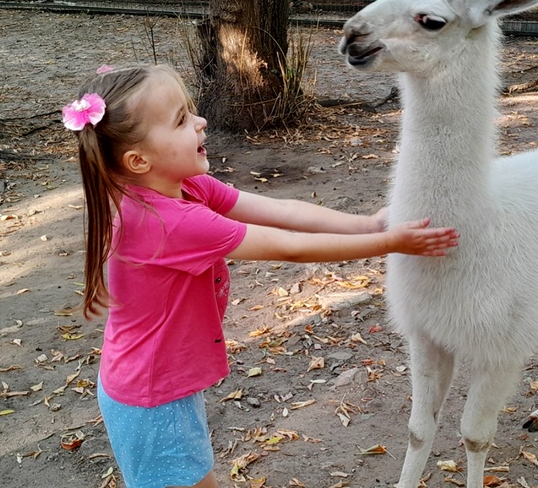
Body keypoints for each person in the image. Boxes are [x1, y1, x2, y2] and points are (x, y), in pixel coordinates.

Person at [65, 64, 459, 488]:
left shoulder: (184, 187)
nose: (200, 122)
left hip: (157, 384)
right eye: (181, 119)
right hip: (151, 398)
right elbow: (290, 246)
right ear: (138, 160)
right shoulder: (169, 223)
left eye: (190, 111)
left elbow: (284, 211)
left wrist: (366, 225)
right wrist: (391, 243)